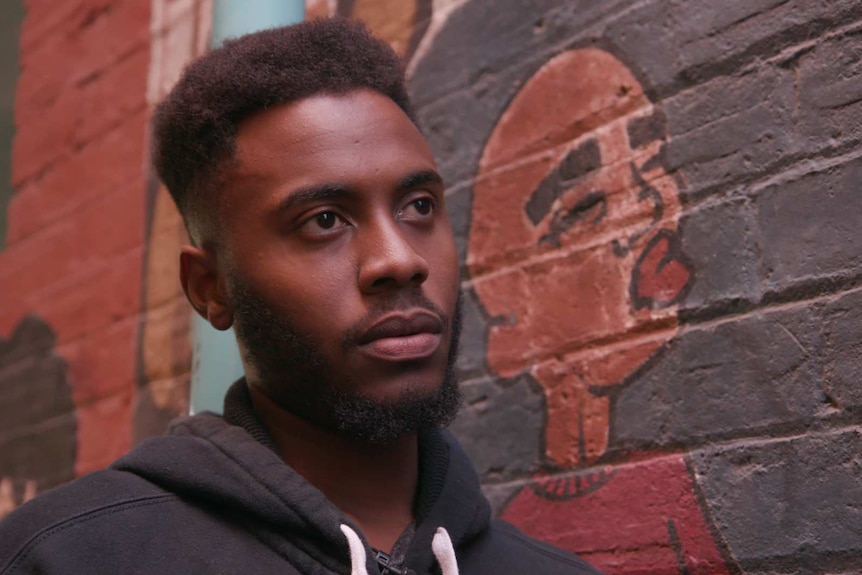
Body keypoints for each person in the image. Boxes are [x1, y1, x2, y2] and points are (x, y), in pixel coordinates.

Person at [0, 19, 601, 575]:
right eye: (323, 221)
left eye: (419, 207)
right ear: (210, 289)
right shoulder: (67, 557)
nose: (400, 261)